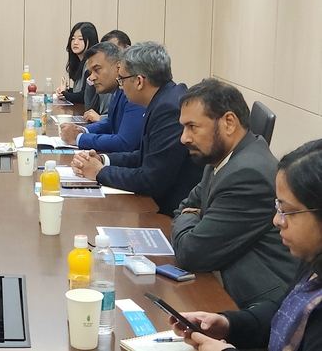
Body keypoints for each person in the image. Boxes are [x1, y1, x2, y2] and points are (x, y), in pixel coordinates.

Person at [170, 139, 322, 351]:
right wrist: (228, 324)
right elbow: (283, 311)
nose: (277, 221)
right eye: (278, 208)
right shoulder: (313, 260)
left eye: (288, 211)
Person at [171, 79, 297, 309]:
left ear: (229, 123)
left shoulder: (249, 175)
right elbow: (185, 205)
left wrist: (189, 216)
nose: (184, 138)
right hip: (222, 281)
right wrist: (191, 215)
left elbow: (191, 253)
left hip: (256, 305)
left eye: (192, 127)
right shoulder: (221, 157)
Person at [71, 42, 203, 216]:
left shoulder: (169, 109)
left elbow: (151, 180)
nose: (120, 86)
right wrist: (103, 160)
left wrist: (99, 172)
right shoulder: (163, 100)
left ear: (139, 81)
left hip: (170, 213)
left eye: (122, 79)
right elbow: (143, 156)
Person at [59, 42, 145, 153]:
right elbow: (110, 123)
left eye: (97, 70)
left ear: (118, 67)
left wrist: (79, 138)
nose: (91, 78)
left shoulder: (132, 92)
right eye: (90, 72)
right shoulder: (117, 91)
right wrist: (83, 130)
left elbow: (124, 143)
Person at [56, 22, 107, 114]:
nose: (75, 42)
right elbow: (80, 90)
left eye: (80, 39)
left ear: (90, 40)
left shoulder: (91, 64)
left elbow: (83, 96)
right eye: (73, 38)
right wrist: (66, 91)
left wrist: (65, 94)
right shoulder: (79, 62)